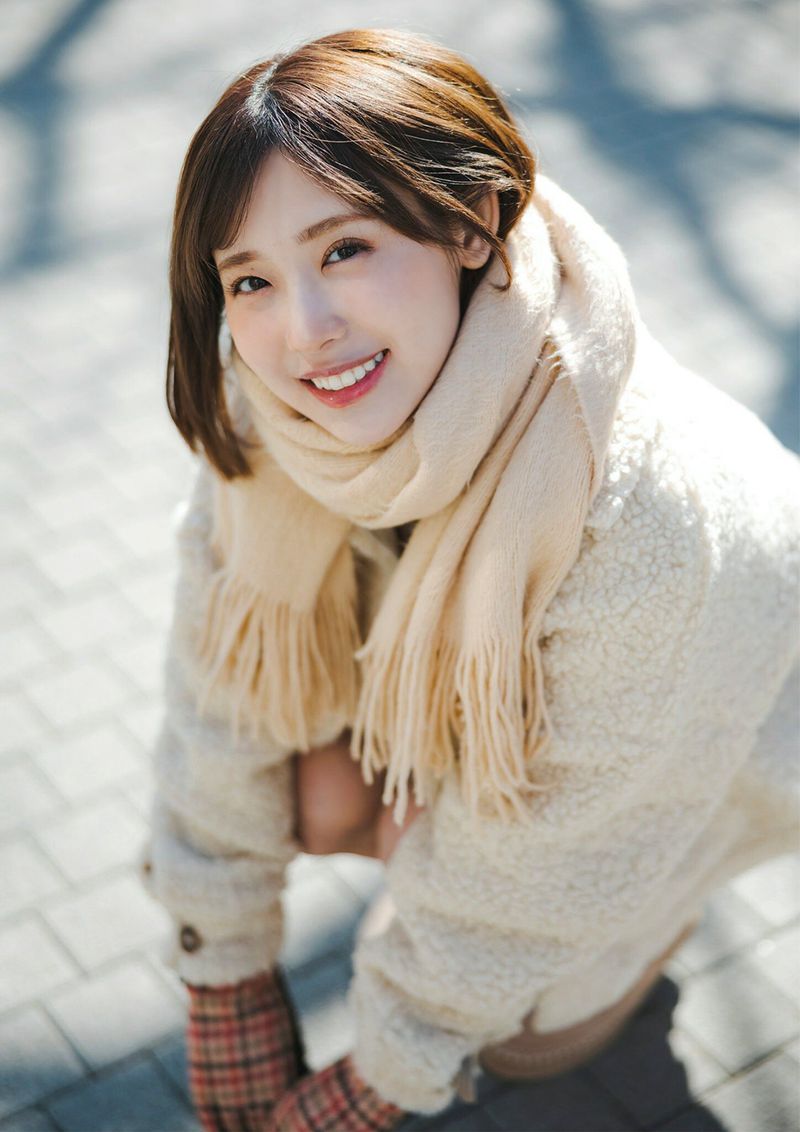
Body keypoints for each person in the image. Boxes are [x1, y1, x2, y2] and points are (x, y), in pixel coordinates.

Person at [143, 27, 800, 1132]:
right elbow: (215, 687)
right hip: (551, 726)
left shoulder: (644, 507)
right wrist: (225, 973)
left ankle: (632, 940)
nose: (304, 331)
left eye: (344, 249)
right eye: (250, 278)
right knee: (325, 797)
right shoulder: (274, 420)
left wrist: (388, 1062)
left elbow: (565, 835)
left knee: (523, 1035)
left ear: (467, 221)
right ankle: (454, 851)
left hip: (719, 750)